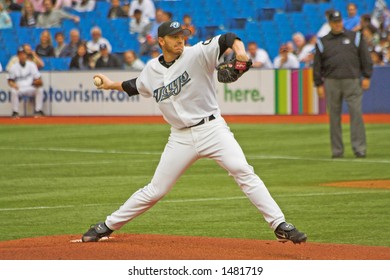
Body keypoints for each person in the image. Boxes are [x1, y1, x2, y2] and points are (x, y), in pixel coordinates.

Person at [81, 21, 307, 244]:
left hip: (212, 129)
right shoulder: (151, 69)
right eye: (174, 36)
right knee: (155, 190)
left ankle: (279, 224)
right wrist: (110, 85)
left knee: (242, 170)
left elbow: (227, 38)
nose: (180, 39)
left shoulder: (197, 53)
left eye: (182, 35)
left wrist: (241, 54)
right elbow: (134, 85)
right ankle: (107, 226)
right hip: (180, 138)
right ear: (161, 41)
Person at [313, 10, 373, 158]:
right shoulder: (323, 41)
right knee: (334, 117)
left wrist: (366, 76)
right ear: (330, 23)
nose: (337, 24)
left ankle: (359, 148)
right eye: (334, 22)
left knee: (356, 114)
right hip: (331, 81)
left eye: (339, 21)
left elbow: (365, 58)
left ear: (342, 22)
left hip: (352, 80)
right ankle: (337, 151)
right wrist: (318, 83)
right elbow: (317, 64)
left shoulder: (355, 37)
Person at [7, 46, 44, 119]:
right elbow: (10, 80)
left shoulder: (31, 65)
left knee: (40, 89)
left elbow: (38, 78)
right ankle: (15, 112)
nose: (22, 56)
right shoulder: (14, 67)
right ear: (18, 56)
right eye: (20, 54)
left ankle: (38, 111)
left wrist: (38, 81)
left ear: (26, 55)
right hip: (19, 88)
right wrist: (13, 84)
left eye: (23, 54)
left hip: (30, 87)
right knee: (13, 91)